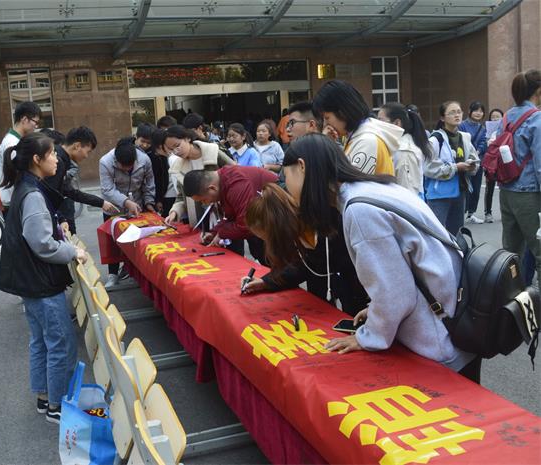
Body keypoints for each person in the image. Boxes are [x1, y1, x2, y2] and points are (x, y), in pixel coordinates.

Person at [282, 134, 479, 381]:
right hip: (456, 319)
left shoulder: (359, 210)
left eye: (285, 175)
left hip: (440, 340)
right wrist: (377, 311)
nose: (286, 185)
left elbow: (395, 294)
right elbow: (400, 277)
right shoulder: (374, 188)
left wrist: (370, 336)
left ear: (301, 167)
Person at [0, 132, 86, 423]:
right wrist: (72, 251)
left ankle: (45, 397)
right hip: (41, 282)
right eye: (51, 154)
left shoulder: (25, 187)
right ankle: (58, 406)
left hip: (29, 280)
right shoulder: (33, 195)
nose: (56, 159)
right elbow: (43, 244)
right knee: (61, 343)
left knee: (41, 341)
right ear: (37, 159)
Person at [243, 183, 370, 316]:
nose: (267, 244)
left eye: (268, 239)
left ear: (279, 229)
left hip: (358, 282)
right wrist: (266, 282)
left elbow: (310, 264)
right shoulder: (297, 229)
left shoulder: (328, 223)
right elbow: (302, 266)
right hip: (333, 281)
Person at [182, 166, 277, 264]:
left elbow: (246, 225)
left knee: (268, 257)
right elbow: (231, 217)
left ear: (212, 188)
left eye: (203, 200)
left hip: (275, 221)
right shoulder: (221, 180)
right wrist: (214, 232)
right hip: (261, 221)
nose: (205, 204)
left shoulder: (237, 185)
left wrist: (222, 233)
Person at [499, 69, 541, 284]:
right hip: (528, 193)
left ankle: (511, 298)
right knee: (539, 250)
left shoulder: (507, 115)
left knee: (511, 252)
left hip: (506, 190)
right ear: (538, 91)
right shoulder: (537, 118)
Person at [99, 137, 156, 288]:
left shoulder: (144, 160)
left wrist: (149, 201)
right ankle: (112, 274)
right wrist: (125, 202)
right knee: (112, 241)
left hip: (137, 205)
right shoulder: (105, 162)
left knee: (136, 239)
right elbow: (107, 189)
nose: (126, 170)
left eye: (130, 167)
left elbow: (149, 182)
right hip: (113, 207)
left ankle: (132, 272)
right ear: (116, 161)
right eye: (122, 167)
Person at [312, 80, 401, 175]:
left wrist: (324, 147)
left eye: (327, 118)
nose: (325, 125)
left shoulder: (367, 141)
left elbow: (343, 181)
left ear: (342, 112)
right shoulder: (358, 136)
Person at [43, 126, 118, 233]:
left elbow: (69, 191)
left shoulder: (62, 159)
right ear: (77, 146)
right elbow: (48, 197)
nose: (86, 156)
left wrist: (101, 203)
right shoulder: (58, 162)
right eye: (88, 151)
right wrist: (61, 219)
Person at [424, 101, 480, 235]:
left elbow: (475, 158)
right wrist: (455, 168)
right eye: (452, 113)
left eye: (459, 112)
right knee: (436, 233)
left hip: (460, 191)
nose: (457, 115)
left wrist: (471, 165)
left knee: (456, 232)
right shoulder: (435, 140)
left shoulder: (465, 137)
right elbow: (428, 167)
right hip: (440, 194)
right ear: (442, 118)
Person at [163, 125, 235, 227]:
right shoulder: (178, 167)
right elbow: (182, 196)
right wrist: (175, 212)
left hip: (223, 212)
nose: (176, 151)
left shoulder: (212, 151)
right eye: (172, 149)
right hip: (198, 218)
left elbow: (236, 173)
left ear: (187, 138)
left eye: (177, 145)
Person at [377, 103, 432, 197]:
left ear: (397, 123)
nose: (376, 125)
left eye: (380, 121)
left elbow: (407, 191)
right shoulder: (396, 145)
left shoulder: (404, 151)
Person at [0, 101, 41, 216]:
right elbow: (19, 176)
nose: (36, 126)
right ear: (24, 119)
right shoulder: (12, 143)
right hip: (15, 203)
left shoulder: (13, 140)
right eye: (35, 122)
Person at [459, 101, 488, 224]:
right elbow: (460, 140)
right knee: (464, 187)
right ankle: (461, 212)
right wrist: (470, 151)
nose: (478, 113)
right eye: (476, 110)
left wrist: (478, 151)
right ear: (470, 111)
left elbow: (484, 142)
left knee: (476, 188)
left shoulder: (482, 128)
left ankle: (471, 213)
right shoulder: (462, 125)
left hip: (477, 161)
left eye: (481, 111)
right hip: (465, 161)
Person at [149, 128, 178, 217]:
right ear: (160, 146)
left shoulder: (169, 157)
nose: (171, 148)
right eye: (168, 145)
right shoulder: (150, 158)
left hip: (172, 195)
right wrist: (158, 199)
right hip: (160, 197)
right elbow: (155, 181)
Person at [483, 108, 505, 223]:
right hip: (491, 164)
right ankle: (488, 213)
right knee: (490, 188)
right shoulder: (487, 132)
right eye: (493, 117)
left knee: (504, 189)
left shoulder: (506, 131)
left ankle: (504, 213)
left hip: (502, 163)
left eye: (498, 117)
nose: (495, 119)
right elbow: (486, 146)